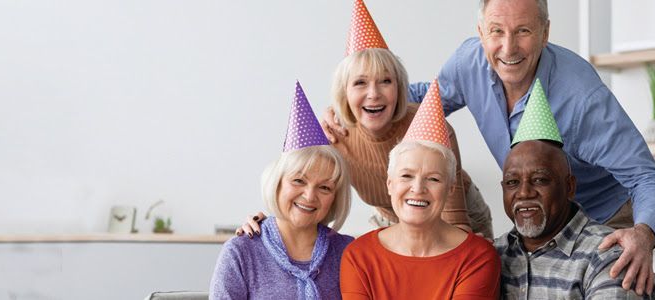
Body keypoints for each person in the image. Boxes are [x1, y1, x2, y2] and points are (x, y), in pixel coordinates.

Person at [323, 0, 655, 295]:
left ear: (545, 32)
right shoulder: (468, 63)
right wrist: (349, 110)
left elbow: (648, 178)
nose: (508, 48)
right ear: (480, 33)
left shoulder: (583, 101)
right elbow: (423, 102)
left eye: (523, 31)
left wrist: (643, 234)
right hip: (530, 220)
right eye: (496, 31)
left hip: (601, 217)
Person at [239, 0, 494, 238]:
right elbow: (302, 200)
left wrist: (465, 251)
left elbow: (455, 221)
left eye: (385, 81)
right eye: (360, 83)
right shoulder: (333, 135)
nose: (374, 94)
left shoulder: (430, 127)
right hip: (389, 221)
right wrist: (267, 225)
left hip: (454, 218)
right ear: (344, 92)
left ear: (399, 88)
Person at [339, 81, 500, 299]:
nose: (417, 188)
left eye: (433, 179)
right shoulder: (359, 256)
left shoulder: (478, 257)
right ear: (390, 184)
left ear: (451, 189)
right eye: (406, 176)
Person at [494, 80, 647, 298]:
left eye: (539, 180)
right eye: (512, 183)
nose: (524, 193)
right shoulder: (491, 255)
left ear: (569, 187)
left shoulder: (609, 254)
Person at [209, 82, 353, 299]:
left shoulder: (347, 252)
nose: (310, 195)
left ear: (335, 198)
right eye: (298, 181)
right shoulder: (241, 253)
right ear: (277, 183)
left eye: (324, 187)